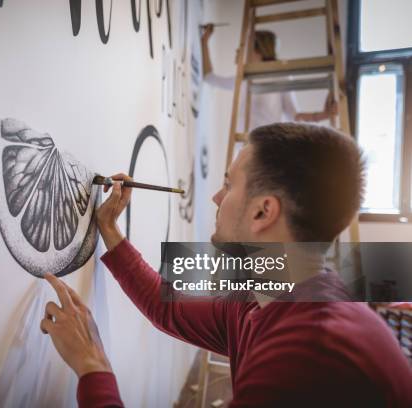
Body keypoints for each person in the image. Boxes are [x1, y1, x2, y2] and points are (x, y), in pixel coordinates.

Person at [39, 123, 412, 407]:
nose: (217, 197)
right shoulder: (269, 294)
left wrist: (93, 368)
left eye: (229, 184)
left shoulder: (309, 356)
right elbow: (164, 306)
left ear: (263, 211)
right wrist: (109, 228)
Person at [201, 25, 336, 130]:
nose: (238, 50)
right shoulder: (243, 79)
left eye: (244, 46)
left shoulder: (281, 76)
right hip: (243, 146)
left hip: (267, 146)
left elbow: (294, 115)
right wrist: (204, 42)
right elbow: (209, 77)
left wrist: (323, 115)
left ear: (259, 52)